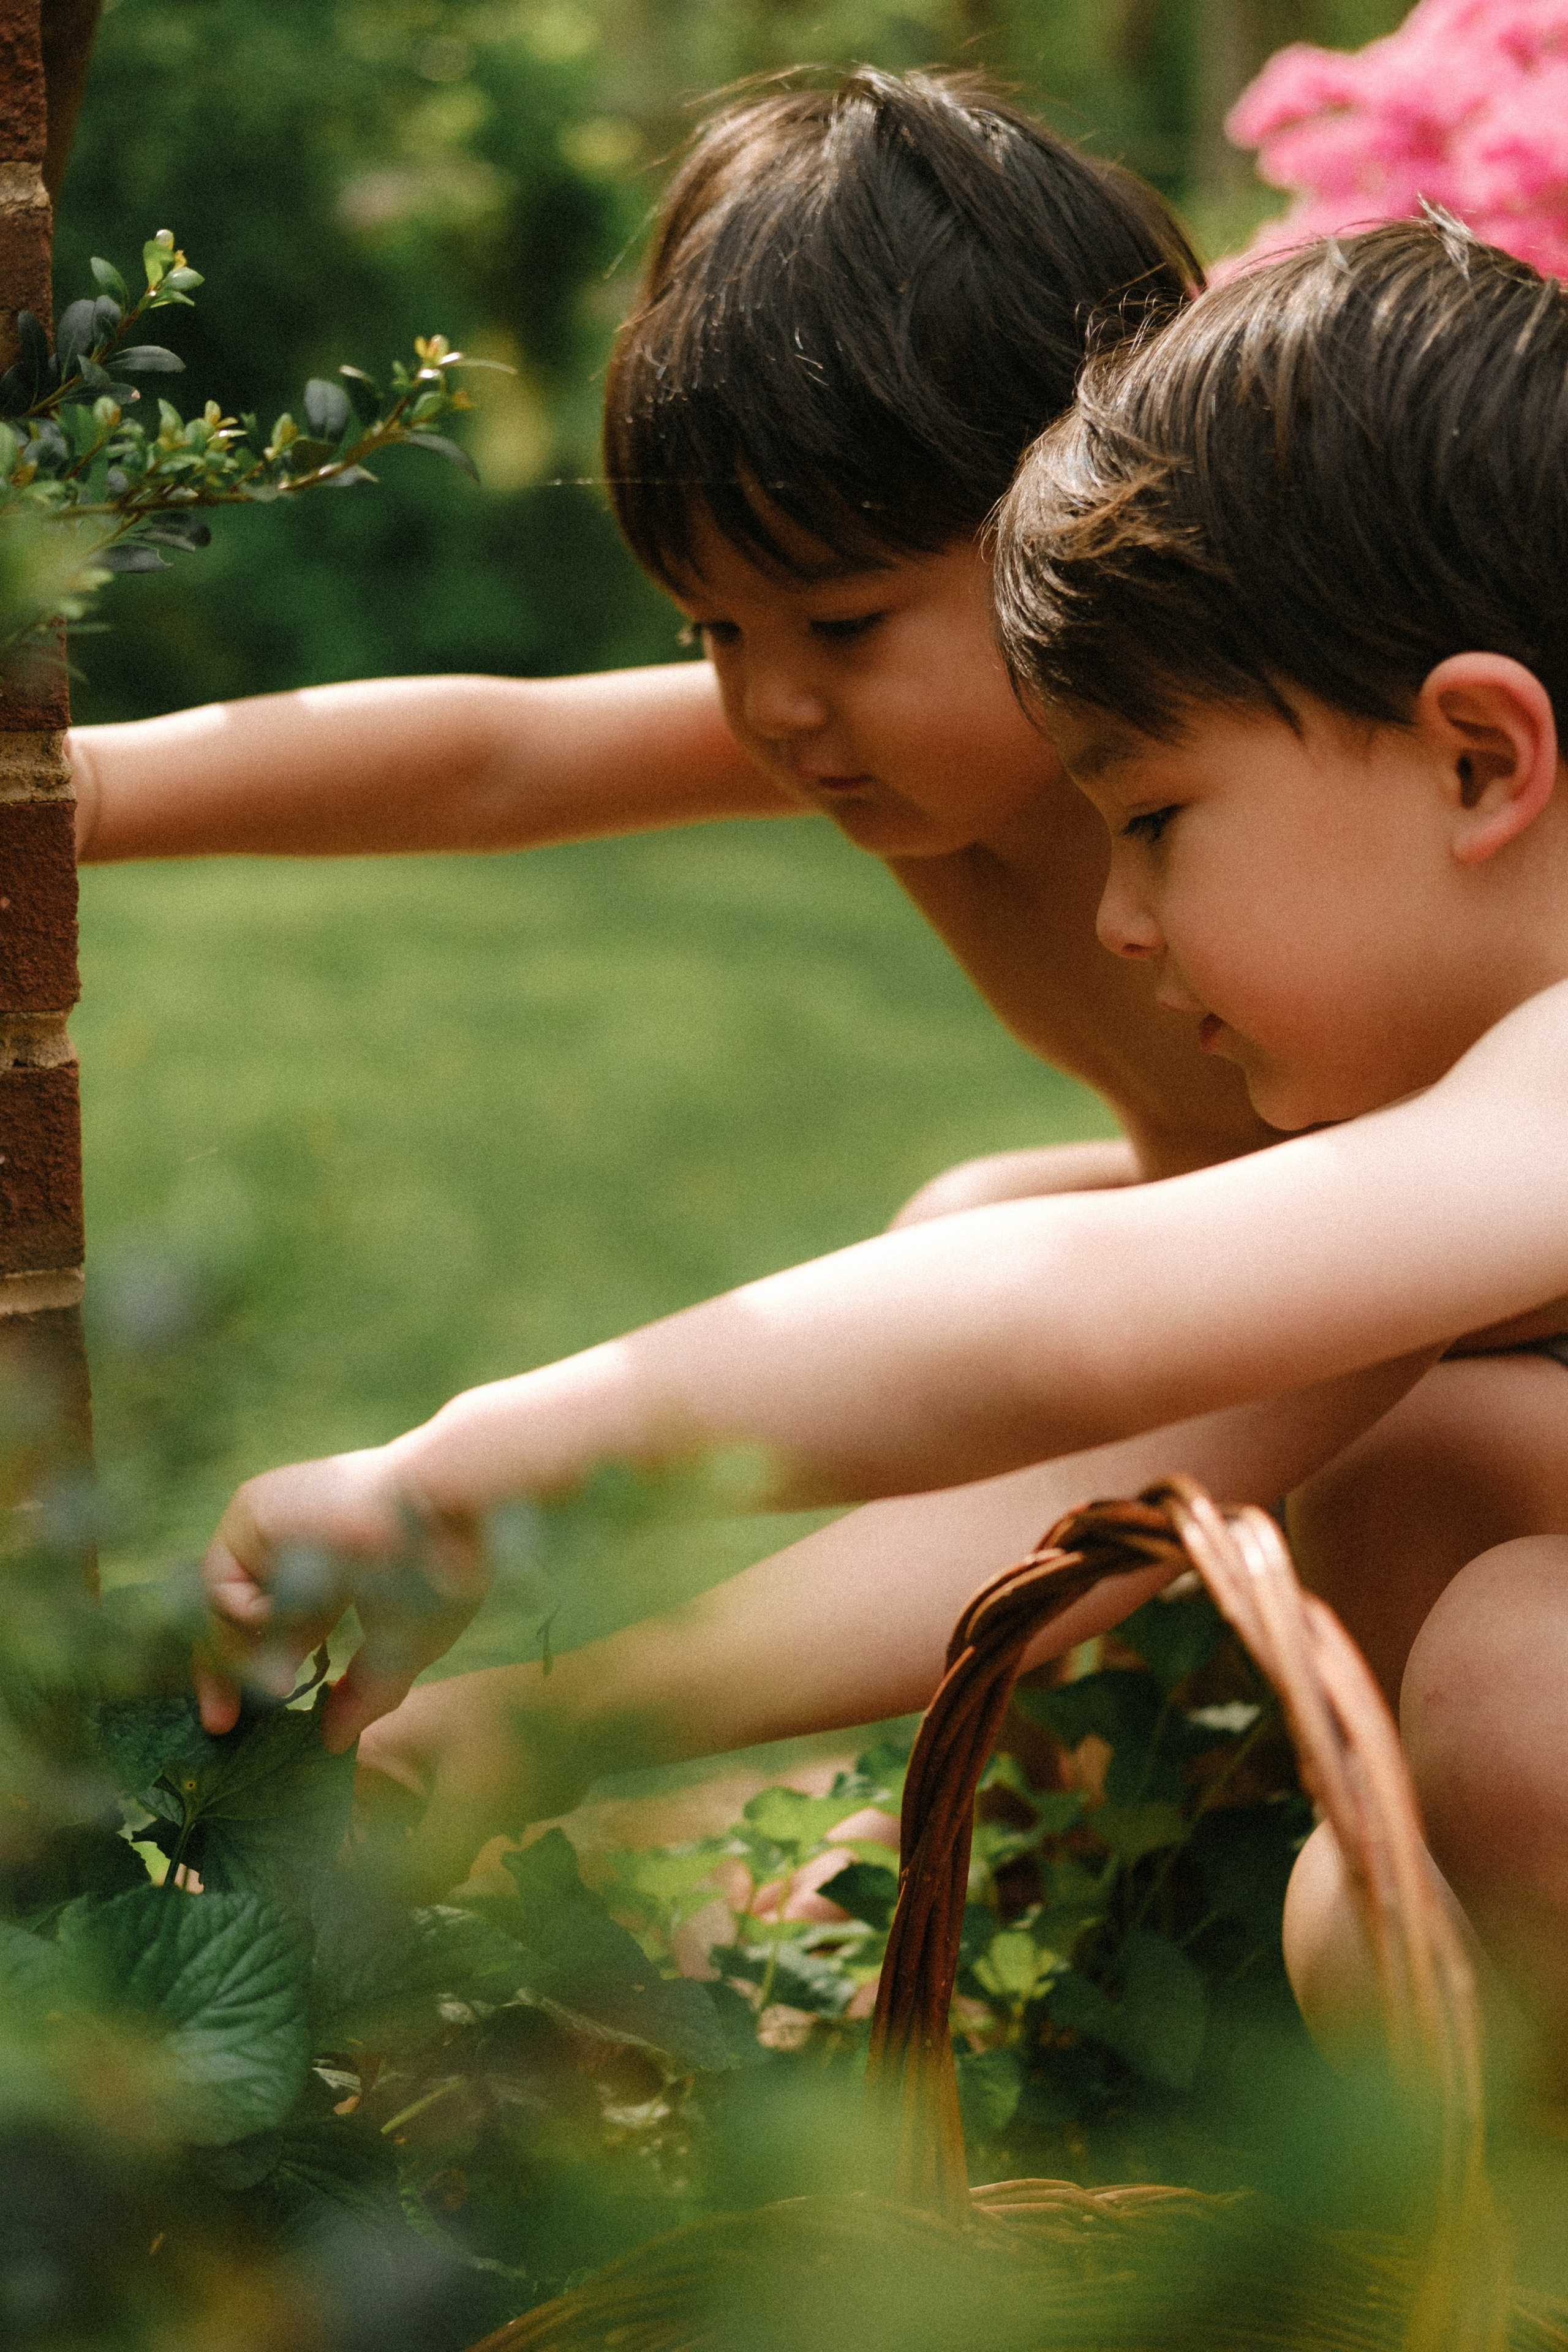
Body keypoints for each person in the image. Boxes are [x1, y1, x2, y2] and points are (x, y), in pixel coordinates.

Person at [196, 216, 1568, 2068]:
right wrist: (555, 1719)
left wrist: (467, 1469)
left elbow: (1079, 1320)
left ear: (1479, 759)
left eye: (1157, 821)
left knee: (1514, 1678)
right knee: (1365, 1890)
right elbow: (1088, 1460)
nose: (1118, 923)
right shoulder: (1454, 1137)